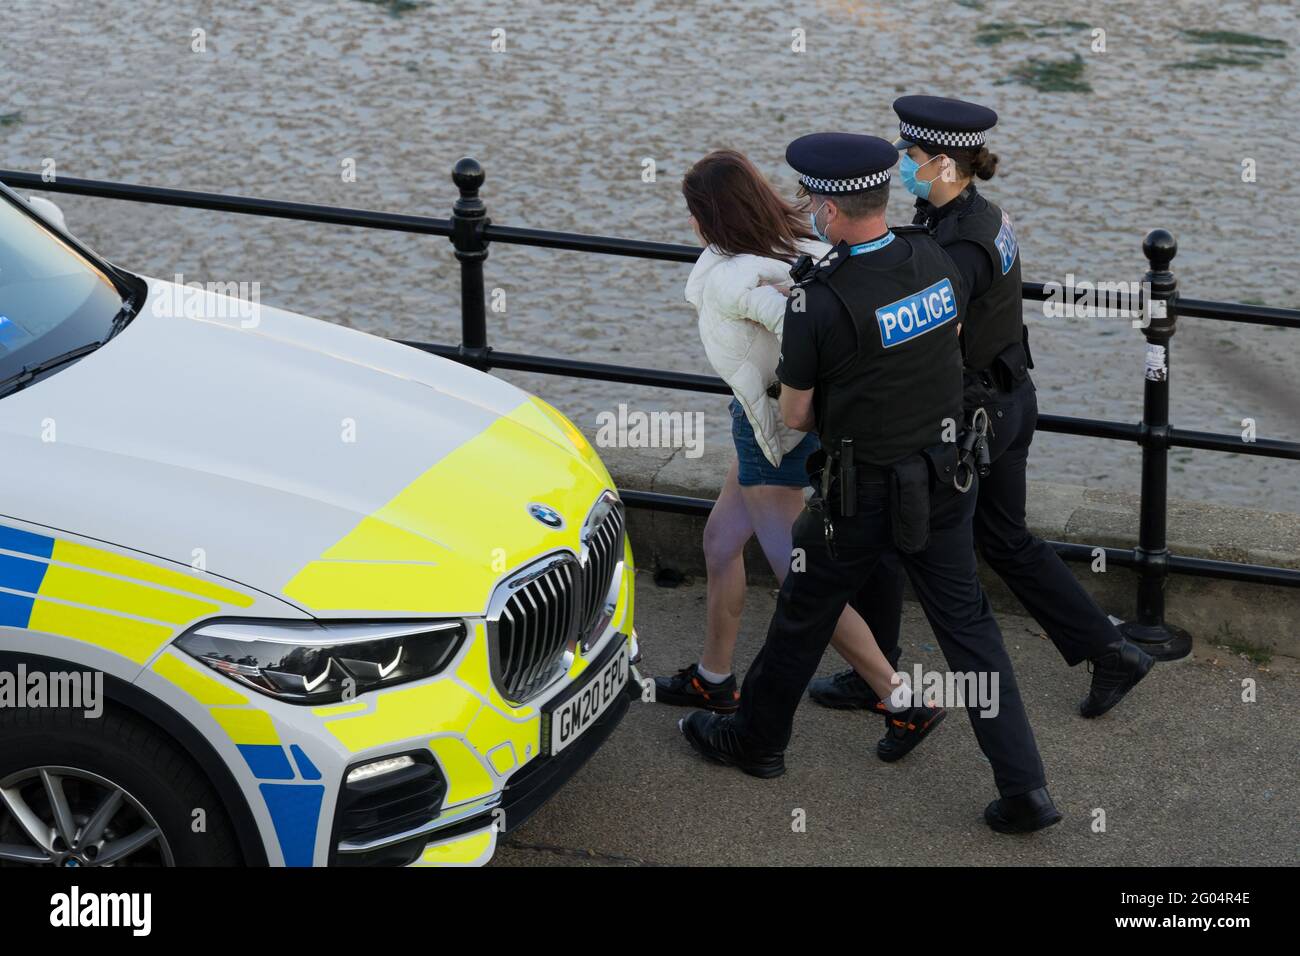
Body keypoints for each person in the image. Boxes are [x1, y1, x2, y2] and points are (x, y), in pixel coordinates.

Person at [679, 132, 1062, 834]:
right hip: (946, 476)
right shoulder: (934, 259)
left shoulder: (818, 301)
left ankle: (756, 739)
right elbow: (948, 347)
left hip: (863, 490)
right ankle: (1025, 789)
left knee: (803, 609)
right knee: (972, 633)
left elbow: (795, 411)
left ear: (827, 209)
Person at [808, 96, 1155, 720]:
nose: (902, 166)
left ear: (942, 163)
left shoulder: (960, 245)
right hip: (1007, 398)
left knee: (900, 540)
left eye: (910, 157)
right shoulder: (976, 216)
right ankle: (1110, 651)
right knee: (1004, 539)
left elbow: (940, 336)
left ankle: (879, 677)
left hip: (980, 414)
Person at [654, 150, 944, 759]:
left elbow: (797, 326)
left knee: (801, 580)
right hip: (784, 423)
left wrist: (794, 390)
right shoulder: (800, 247)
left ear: (708, 216)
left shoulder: (736, 276)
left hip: (775, 434)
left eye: (691, 211)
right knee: (719, 543)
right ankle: (714, 679)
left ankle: (902, 698)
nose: (688, 223)